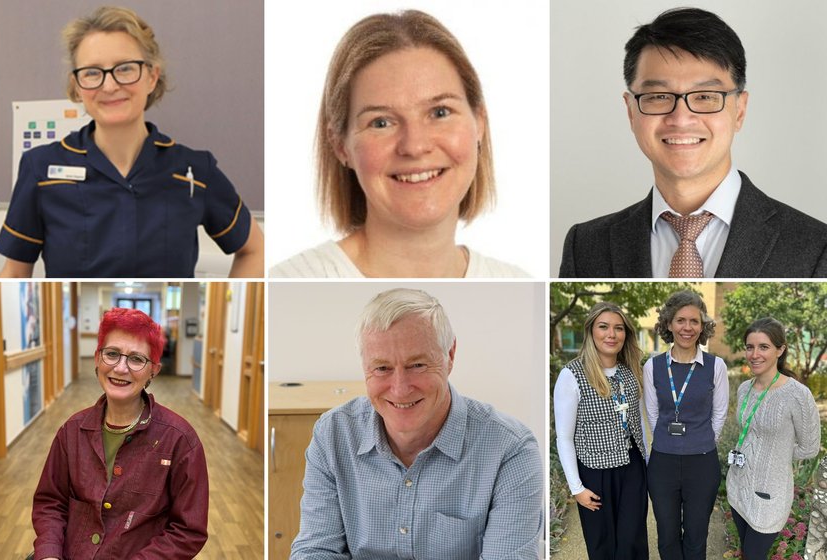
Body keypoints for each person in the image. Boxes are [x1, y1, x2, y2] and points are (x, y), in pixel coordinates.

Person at [0, 6, 264, 278]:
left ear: (152, 77)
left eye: (125, 68)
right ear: (77, 86)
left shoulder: (194, 171)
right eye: (91, 72)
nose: (109, 86)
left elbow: (255, 250)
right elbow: (15, 274)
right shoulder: (41, 168)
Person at [559, 7, 827, 278]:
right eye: (659, 96)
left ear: (740, 110)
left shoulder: (815, 247)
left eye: (705, 96)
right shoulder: (585, 245)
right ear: (631, 111)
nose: (681, 117)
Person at [269, 10, 526, 278]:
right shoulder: (290, 281)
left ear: (480, 122)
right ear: (339, 145)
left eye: (440, 112)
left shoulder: (518, 283)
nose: (415, 146)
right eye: (381, 122)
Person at [290, 288, 543, 558]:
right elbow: (316, 550)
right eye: (382, 368)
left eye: (418, 365)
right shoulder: (333, 435)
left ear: (450, 355)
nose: (400, 390)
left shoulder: (511, 451)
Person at [31, 308, 209, 559]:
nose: (121, 368)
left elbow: (188, 531)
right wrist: (49, 554)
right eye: (112, 354)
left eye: (137, 359)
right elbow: (51, 503)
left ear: (154, 370)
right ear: (97, 358)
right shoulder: (71, 432)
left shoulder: (180, 440)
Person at [554, 302, 649, 559]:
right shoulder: (572, 374)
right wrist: (577, 488)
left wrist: (647, 467)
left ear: (626, 334)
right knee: (602, 545)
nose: (612, 334)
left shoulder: (631, 372)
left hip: (632, 469)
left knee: (633, 542)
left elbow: (638, 424)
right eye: (604, 327)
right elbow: (563, 437)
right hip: (595, 473)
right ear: (591, 331)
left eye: (619, 328)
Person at [644, 290, 729, 559]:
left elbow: (719, 413)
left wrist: (699, 442)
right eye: (681, 320)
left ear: (702, 327)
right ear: (668, 323)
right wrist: (672, 442)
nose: (687, 327)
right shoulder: (653, 366)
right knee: (667, 536)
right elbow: (653, 414)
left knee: (696, 536)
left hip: (702, 463)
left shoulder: (716, 366)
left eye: (694, 321)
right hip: (663, 463)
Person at [726, 318, 820, 559]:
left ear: (780, 349)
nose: (754, 354)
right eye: (750, 347)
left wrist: (776, 454)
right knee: (745, 553)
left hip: (768, 497)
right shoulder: (745, 388)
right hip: (738, 487)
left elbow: (809, 448)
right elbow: (749, 433)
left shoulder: (797, 395)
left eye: (764, 347)